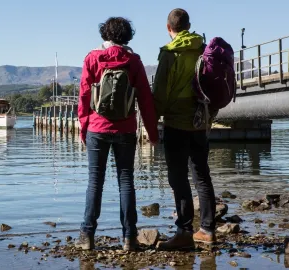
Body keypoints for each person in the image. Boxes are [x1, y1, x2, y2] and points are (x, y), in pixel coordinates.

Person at [75, 17, 159, 251]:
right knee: (126, 181)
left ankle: (87, 236)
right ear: (127, 36)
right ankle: (130, 238)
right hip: (126, 128)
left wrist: (84, 127)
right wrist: (152, 133)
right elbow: (145, 100)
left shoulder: (92, 58)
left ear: (105, 34)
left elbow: (83, 97)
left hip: (97, 128)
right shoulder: (134, 61)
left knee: (95, 182)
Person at [152, 8, 216, 250]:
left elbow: (159, 93)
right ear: (188, 26)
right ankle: (208, 230)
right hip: (200, 122)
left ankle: (184, 231)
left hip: (176, 123)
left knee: (178, 177)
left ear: (169, 28)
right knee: (202, 174)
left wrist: (151, 123)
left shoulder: (169, 53)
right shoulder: (203, 47)